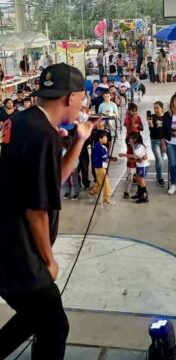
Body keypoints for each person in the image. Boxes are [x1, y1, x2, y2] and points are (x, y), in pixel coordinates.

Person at [0, 63, 93, 359]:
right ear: (69, 97)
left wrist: (79, 140)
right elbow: (35, 212)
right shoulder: (44, 136)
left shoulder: (22, 122)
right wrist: (48, 260)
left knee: (36, 319)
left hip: (6, 246)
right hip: (21, 254)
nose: (82, 103)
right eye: (81, 97)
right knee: (54, 325)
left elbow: (53, 181)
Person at [121, 132, 150, 204]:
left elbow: (136, 157)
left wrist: (124, 155)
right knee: (137, 178)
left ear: (135, 139)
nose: (129, 140)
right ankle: (139, 194)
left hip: (143, 166)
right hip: (140, 165)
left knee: (141, 180)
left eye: (130, 139)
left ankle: (144, 196)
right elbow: (138, 158)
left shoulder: (138, 147)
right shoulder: (136, 145)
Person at [89, 131, 112, 204]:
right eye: (105, 137)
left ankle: (93, 191)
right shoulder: (100, 147)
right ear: (100, 139)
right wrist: (108, 159)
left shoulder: (97, 145)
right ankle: (107, 198)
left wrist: (110, 158)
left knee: (99, 181)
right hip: (101, 167)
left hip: (97, 167)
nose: (106, 139)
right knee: (106, 183)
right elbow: (104, 157)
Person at [148, 101, 165, 187]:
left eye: (157, 108)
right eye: (154, 108)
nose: (155, 109)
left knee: (161, 159)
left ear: (162, 108)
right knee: (159, 159)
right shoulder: (152, 117)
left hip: (163, 141)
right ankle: (160, 178)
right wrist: (150, 124)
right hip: (154, 140)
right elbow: (152, 130)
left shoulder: (166, 117)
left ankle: (158, 175)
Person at [62, 136, 80, 201]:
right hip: (65, 169)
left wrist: (74, 167)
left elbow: (76, 159)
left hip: (72, 169)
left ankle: (75, 194)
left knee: (74, 182)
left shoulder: (73, 150)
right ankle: (67, 192)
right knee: (66, 182)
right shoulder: (63, 150)